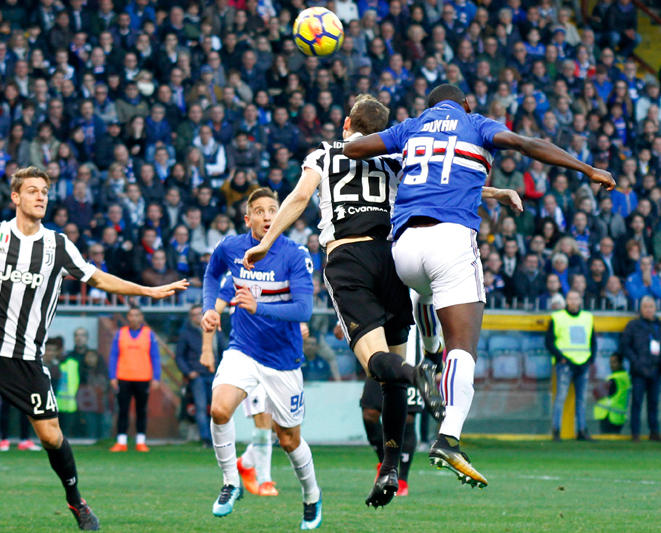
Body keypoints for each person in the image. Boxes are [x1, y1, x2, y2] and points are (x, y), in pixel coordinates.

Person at [0, 166, 187, 531]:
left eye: (45, 191)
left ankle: (77, 502)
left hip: (25, 358)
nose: (41, 197)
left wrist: (147, 291)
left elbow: (99, 278)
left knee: (51, 436)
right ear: (16, 197)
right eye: (33, 191)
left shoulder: (58, 245)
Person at [243, 94, 516, 498]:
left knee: (378, 365)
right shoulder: (396, 156)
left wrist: (266, 242)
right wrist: (496, 192)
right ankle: (389, 469)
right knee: (392, 379)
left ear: (347, 124)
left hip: (348, 259)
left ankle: (419, 375)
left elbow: (299, 198)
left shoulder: (325, 154)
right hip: (391, 259)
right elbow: (438, 179)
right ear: (383, 130)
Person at [342, 84, 614, 486]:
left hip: (404, 248)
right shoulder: (475, 123)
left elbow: (354, 149)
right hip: (450, 239)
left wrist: (348, 137)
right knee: (464, 348)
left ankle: (429, 353)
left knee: (425, 291)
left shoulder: (411, 127)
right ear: (465, 104)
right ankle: (449, 437)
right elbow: (527, 144)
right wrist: (586, 169)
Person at [201, 188, 322, 529]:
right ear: (248, 219)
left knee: (288, 439)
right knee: (219, 409)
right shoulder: (231, 248)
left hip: (283, 359)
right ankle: (231, 482)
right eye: (260, 211)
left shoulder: (294, 254)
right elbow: (211, 275)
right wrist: (210, 309)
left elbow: (304, 310)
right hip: (243, 349)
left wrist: (259, 307)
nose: (268, 216)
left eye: (273, 209)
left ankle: (311, 495)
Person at [201, 280, 279, 497]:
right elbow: (213, 311)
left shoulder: (283, 269)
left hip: (279, 358)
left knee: (281, 429)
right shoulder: (236, 276)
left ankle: (244, 464)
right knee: (263, 420)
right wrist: (207, 349)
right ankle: (264, 480)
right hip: (248, 357)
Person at [108, 307, 161, 453]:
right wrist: (112, 376)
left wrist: (156, 377)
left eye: (137, 315)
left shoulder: (149, 334)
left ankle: (141, 441)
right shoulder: (120, 333)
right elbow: (113, 355)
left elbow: (155, 356)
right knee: (122, 410)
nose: (134, 318)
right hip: (123, 377)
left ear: (141, 317)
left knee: (141, 410)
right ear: (128, 317)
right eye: (131, 315)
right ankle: (121, 441)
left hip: (143, 378)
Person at [546, 290, 596, 442]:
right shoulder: (557, 317)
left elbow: (592, 340)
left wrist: (590, 359)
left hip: (583, 363)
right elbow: (549, 341)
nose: (574, 302)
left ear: (580, 300)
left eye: (576, 299)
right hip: (565, 364)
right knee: (560, 398)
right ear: (566, 300)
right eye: (571, 299)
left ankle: (582, 430)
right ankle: (556, 430)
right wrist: (561, 358)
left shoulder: (588, 317)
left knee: (581, 399)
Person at [175, 304, 222, 447]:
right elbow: (179, 356)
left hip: (215, 375)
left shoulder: (215, 331)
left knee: (217, 408)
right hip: (198, 377)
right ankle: (206, 439)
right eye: (194, 314)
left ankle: (218, 438)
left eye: (199, 313)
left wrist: (222, 370)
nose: (197, 317)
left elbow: (224, 351)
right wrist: (189, 372)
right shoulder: (186, 334)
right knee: (201, 408)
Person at [620, 296, 661, 442]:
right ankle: (635, 432)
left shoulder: (658, 325)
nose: (649, 310)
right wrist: (636, 362)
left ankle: (654, 431)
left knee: (654, 402)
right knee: (637, 401)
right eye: (646, 307)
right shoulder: (633, 325)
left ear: (655, 308)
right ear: (641, 309)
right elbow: (625, 346)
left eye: (651, 307)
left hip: (656, 369)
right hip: (639, 370)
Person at [593, 353, 631, 435]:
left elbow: (600, 393)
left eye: (614, 362)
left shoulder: (614, 378)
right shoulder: (625, 377)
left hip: (608, 415)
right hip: (619, 416)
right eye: (610, 362)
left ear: (620, 363)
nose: (611, 365)